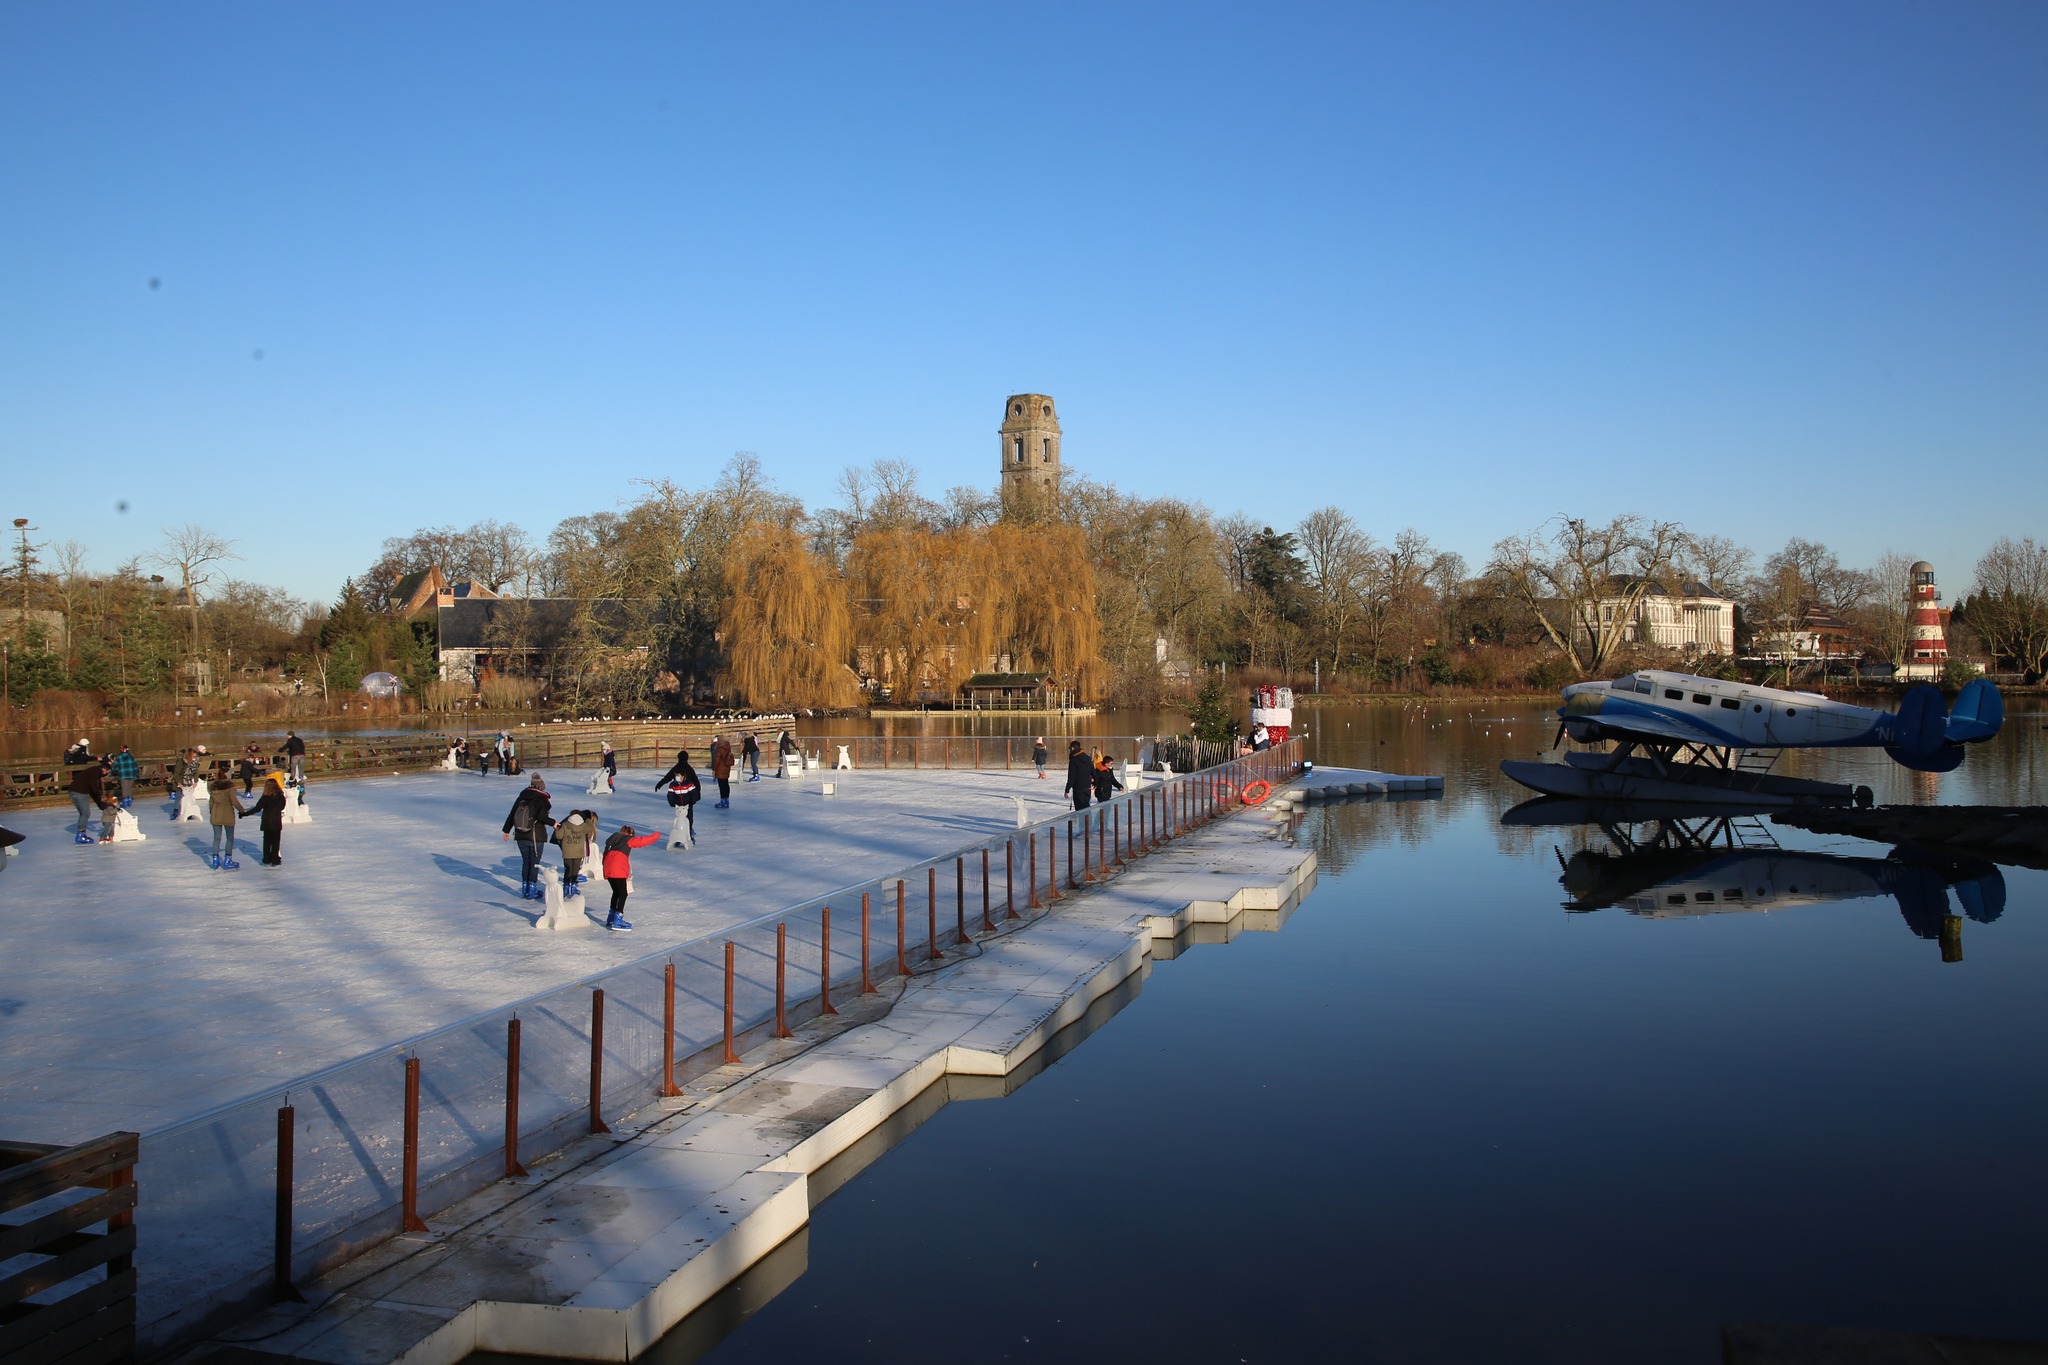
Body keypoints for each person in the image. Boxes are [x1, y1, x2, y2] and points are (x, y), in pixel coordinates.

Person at [501, 774, 556, 899]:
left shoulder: (522, 797)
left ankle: (525, 888)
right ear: (541, 787)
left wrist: (506, 831)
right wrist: (553, 823)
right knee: (534, 863)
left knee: (526, 862)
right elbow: (542, 817)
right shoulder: (542, 799)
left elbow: (512, 814)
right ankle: (532, 890)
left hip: (520, 835)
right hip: (536, 836)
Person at [599, 824, 660, 931]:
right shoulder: (628, 839)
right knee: (623, 893)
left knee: (616, 892)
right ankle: (618, 919)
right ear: (630, 834)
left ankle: (611, 917)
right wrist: (656, 835)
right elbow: (642, 841)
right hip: (617, 868)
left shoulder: (613, 840)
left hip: (608, 867)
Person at [239, 773, 289, 866]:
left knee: (267, 841)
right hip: (276, 821)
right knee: (275, 841)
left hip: (266, 821)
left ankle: (266, 858)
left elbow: (257, 808)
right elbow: (282, 807)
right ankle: (275, 859)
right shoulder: (281, 796)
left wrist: (244, 814)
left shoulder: (265, 797)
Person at [654, 750, 702, 844]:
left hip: (679, 798)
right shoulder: (689, 768)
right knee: (689, 817)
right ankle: (687, 834)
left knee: (680, 817)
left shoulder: (676, 768)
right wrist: (698, 793)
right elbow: (696, 781)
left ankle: (684, 834)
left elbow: (667, 778)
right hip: (688, 798)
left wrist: (659, 784)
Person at [65, 742, 102, 844]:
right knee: (85, 813)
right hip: (79, 791)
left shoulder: (76, 748)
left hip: (74, 789)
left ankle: (81, 833)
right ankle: (81, 834)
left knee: (83, 813)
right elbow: (86, 758)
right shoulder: (82, 750)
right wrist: (99, 800)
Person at [208, 773, 246, 868]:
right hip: (227, 813)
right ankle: (228, 859)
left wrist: (212, 813)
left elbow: (211, 803)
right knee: (229, 838)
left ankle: (215, 858)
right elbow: (234, 801)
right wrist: (242, 811)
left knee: (217, 838)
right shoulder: (229, 788)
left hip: (216, 813)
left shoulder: (213, 789)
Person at [554, 810, 594, 898]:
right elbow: (591, 827)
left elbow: (559, 836)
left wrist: (557, 829)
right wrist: (587, 819)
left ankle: (566, 887)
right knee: (575, 870)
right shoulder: (583, 826)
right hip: (578, 852)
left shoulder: (565, 825)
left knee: (568, 870)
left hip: (567, 852)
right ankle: (573, 887)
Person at [1062, 739, 1095, 811]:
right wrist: (1095, 783)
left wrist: (1067, 790)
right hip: (1087, 787)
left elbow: (1071, 776)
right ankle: (1088, 821)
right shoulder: (1087, 758)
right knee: (1086, 807)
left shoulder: (1073, 760)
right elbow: (1093, 771)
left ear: (1072, 748)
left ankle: (1083, 822)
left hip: (1078, 789)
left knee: (1080, 809)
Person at [709, 734, 734, 808]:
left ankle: (723, 801)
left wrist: (714, 769)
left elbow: (716, 760)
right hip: (726, 768)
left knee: (722, 785)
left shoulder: (719, 749)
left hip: (720, 769)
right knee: (726, 784)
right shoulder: (728, 747)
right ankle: (727, 800)